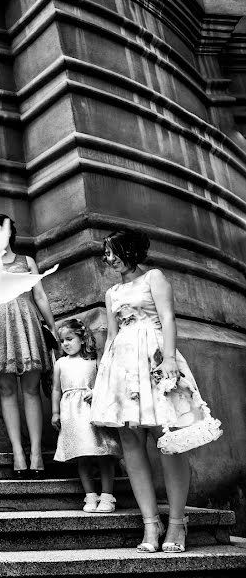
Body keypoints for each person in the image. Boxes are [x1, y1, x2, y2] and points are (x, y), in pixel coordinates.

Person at [91, 229, 217, 553]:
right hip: (122, 369)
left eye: (112, 251)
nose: (109, 258)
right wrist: (102, 379)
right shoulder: (112, 292)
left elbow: (168, 318)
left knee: (170, 438)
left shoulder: (154, 278)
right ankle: (151, 522)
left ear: (129, 249)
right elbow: (111, 336)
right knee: (131, 441)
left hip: (156, 359)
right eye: (106, 253)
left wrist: (171, 360)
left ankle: (177, 522)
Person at [0, 214, 56, 478]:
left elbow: (40, 295)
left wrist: (52, 327)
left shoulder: (27, 261)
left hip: (26, 320)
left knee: (32, 390)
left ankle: (35, 453)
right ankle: (18, 452)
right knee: (7, 389)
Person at [50, 320, 120, 513]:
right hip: (71, 412)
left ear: (82, 338)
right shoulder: (61, 363)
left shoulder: (93, 361)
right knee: (82, 456)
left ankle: (107, 496)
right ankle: (90, 496)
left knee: (104, 453)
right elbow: (56, 389)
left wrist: (96, 392)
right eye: (62, 340)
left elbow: (105, 382)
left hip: (92, 409)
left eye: (70, 339)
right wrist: (55, 412)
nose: (65, 344)